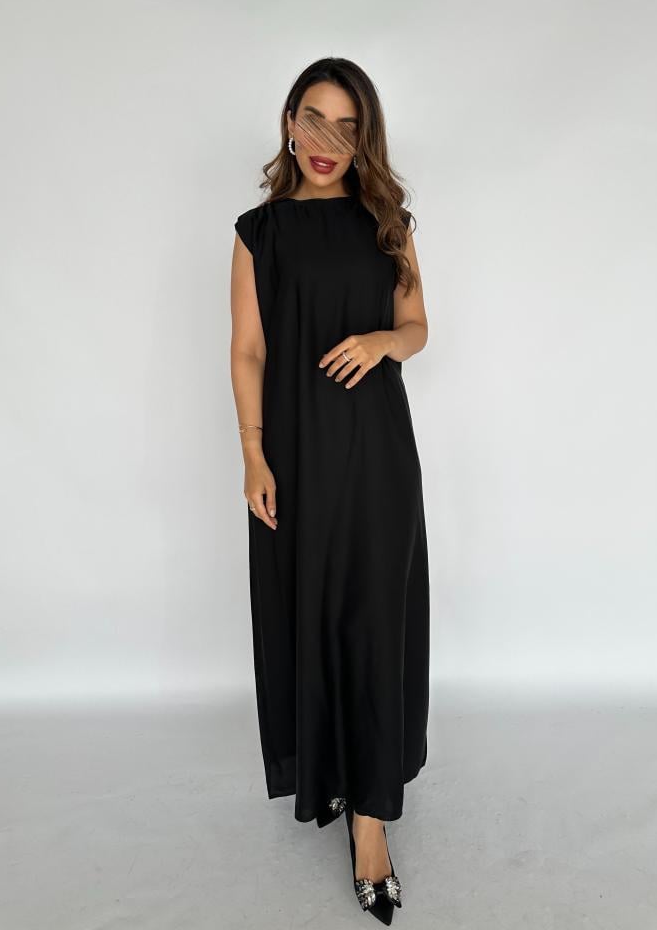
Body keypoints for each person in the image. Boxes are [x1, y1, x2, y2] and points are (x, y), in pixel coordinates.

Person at [230, 56, 430, 923]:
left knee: (374, 618)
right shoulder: (259, 233)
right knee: (311, 614)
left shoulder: (388, 223)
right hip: (297, 457)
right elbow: (248, 350)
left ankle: (372, 823)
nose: (327, 142)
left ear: (364, 138)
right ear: (288, 122)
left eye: (348, 127)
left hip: (378, 454)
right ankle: (332, 776)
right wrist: (253, 455)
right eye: (314, 119)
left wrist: (384, 343)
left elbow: (418, 325)